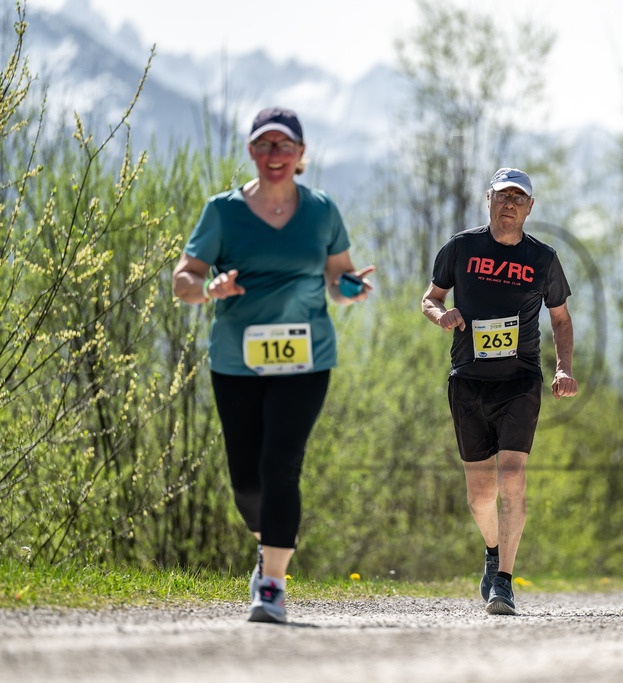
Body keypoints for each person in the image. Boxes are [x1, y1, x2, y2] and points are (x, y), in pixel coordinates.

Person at [172, 106, 373, 623]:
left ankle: (272, 585)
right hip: (236, 360)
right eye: (264, 145)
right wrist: (209, 288)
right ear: (251, 152)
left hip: (306, 359)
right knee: (246, 480)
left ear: (302, 155)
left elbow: (338, 277)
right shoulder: (223, 212)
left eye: (285, 146)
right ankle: (271, 546)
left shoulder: (322, 210)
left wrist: (349, 289)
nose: (274, 155)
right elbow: (183, 279)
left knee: (280, 465)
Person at [421, 167, 578, 615]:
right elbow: (430, 297)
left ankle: (504, 582)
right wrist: (441, 316)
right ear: (488, 199)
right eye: (502, 196)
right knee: (479, 493)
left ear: (529, 208)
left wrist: (563, 368)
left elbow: (561, 319)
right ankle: (492, 552)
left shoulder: (543, 259)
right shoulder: (461, 248)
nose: (509, 204)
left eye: (519, 198)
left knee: (512, 478)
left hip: (520, 381)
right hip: (468, 380)